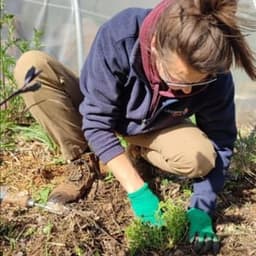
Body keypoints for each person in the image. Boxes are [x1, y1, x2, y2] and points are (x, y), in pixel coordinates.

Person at [14, 0, 256, 254]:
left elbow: (221, 141)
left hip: (154, 126)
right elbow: (96, 120)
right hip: (104, 111)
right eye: (177, 80)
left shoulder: (214, 74)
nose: (186, 91)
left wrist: (202, 207)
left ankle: (135, 152)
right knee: (32, 66)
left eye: (195, 85)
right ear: (154, 46)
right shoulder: (122, 35)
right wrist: (138, 192)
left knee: (202, 158)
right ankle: (85, 161)